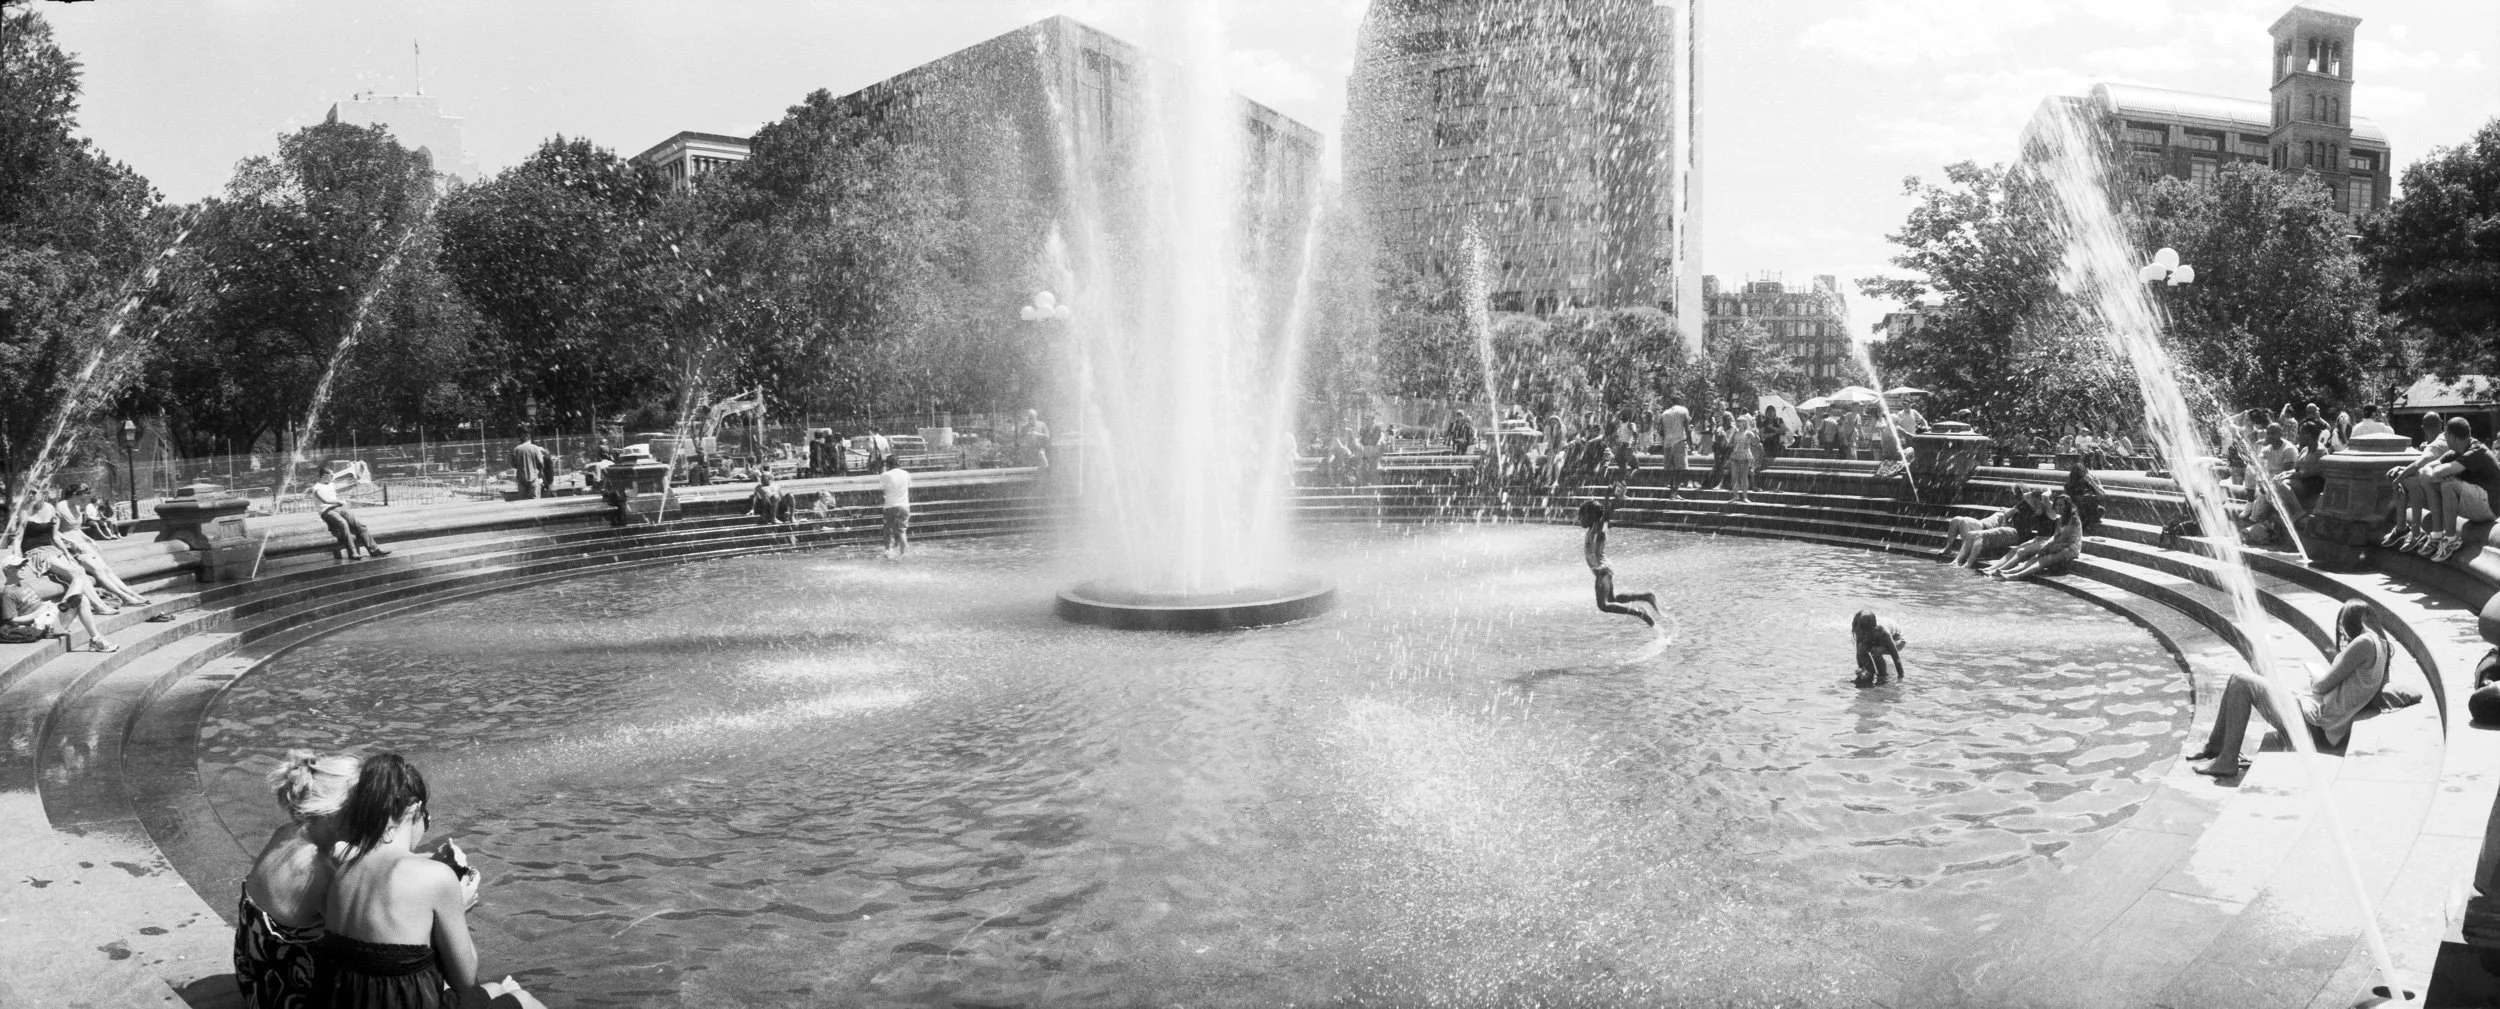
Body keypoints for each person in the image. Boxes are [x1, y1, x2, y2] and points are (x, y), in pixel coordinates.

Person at [318, 753, 489, 1008]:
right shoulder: (436, 877)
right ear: (415, 810)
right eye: (426, 818)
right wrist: (458, 909)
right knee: (518, 996)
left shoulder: (343, 871)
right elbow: (465, 981)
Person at [2192, 600, 2391, 777]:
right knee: (2238, 678)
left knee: (2241, 682)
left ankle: (2227, 761)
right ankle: (2216, 745)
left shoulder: (2364, 642)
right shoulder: (2381, 646)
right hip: (2314, 717)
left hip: (2313, 725)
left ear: (2352, 621)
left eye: (2344, 629)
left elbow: (2322, 686)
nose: (2345, 636)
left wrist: (2316, 677)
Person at [236, 750, 360, 1009]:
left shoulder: (287, 833)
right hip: (290, 999)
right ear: (332, 812)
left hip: (256, 984)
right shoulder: (318, 874)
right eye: (363, 808)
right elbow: (358, 942)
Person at [2418, 417, 2500, 562]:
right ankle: (2437, 535)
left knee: (2448, 484)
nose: (2444, 439)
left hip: (2491, 507)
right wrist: (2431, 474)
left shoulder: (2477, 450)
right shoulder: (2457, 450)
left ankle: (2451, 540)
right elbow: (2430, 467)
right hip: (2477, 502)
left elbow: (2442, 470)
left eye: (2446, 435)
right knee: (2437, 483)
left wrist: (2433, 474)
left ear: (2452, 436)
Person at [1577, 492, 1658, 628]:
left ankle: (1639, 613)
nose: (1580, 518)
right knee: (1612, 599)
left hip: (1601, 571)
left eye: (1583, 515)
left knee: (1603, 605)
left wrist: (1611, 501)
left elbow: (1605, 517)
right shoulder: (1593, 529)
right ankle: (1646, 596)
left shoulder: (1598, 530)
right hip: (1604, 570)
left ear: (1593, 517)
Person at [3, 552, 109, 650]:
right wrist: (35, 614)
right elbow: (12, 620)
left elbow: (37, 602)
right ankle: (96, 639)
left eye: (23, 565)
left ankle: (64, 605)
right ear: (8, 570)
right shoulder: (8, 593)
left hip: (48, 613)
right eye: (18, 567)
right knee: (82, 599)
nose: (23, 568)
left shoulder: (23, 584)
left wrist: (47, 606)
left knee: (78, 580)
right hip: (43, 624)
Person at [2382, 412, 2451, 553]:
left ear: (2423, 429)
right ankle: (2402, 529)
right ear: (2441, 425)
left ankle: (2415, 532)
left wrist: (2397, 479)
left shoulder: (2436, 444)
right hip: (2447, 486)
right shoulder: (2443, 439)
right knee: (2405, 478)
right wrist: (2401, 469)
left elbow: (2422, 462)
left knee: (2408, 480)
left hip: (2444, 493)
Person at [1987, 493, 2084, 579]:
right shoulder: (2061, 519)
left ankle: (2015, 576)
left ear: (2068, 506)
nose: (2059, 507)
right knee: (2037, 556)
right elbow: (2055, 536)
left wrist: (2047, 547)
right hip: (2060, 544)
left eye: (2061, 505)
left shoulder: (2074, 519)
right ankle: (2010, 571)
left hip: (2071, 548)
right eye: (2057, 505)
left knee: (2045, 559)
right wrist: (2046, 545)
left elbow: (2063, 538)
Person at [310, 465, 390, 560]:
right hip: (326, 511)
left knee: (360, 525)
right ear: (324, 476)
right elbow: (325, 500)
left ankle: (374, 550)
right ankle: (352, 553)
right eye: (331, 476)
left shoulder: (331, 484)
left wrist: (340, 503)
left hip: (338, 508)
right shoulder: (316, 488)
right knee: (343, 524)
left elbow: (333, 498)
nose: (332, 478)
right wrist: (338, 501)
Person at [1852, 609, 1908, 686]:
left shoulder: (1883, 631)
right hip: (1876, 636)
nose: (1862, 635)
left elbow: (1896, 657)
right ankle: (1871, 674)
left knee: (1876, 651)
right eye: (1861, 632)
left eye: (1865, 632)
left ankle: (1883, 676)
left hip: (1897, 640)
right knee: (1862, 649)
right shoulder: (1860, 630)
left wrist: (1900, 678)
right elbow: (1859, 654)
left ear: (1872, 628)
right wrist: (1862, 671)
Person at [1657, 402, 1693, 497]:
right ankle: (1675, 492)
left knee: (1670, 469)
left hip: (1668, 444)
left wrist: (1668, 436)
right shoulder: (1683, 411)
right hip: (1680, 442)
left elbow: (1659, 430)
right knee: (1680, 469)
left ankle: (1672, 490)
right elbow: (1687, 429)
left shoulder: (1664, 413)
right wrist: (1690, 443)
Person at [880, 458, 912, 560]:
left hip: (890, 505)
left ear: (887, 464)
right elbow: (909, 487)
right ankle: (903, 554)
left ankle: (887, 551)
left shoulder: (884, 475)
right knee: (902, 532)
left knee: (887, 530)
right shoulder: (905, 473)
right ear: (898, 463)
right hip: (904, 506)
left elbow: (883, 491)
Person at [507, 430, 551, 501]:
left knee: (522, 501)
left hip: (521, 479)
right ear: (530, 439)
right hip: (533, 477)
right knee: (534, 500)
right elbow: (540, 463)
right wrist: (539, 470)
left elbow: (513, 464)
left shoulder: (516, 449)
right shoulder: (535, 448)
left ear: (522, 440)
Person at [2065, 462, 2108, 532]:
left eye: (2082, 472)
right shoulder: (2071, 483)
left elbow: (2102, 494)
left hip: (2091, 508)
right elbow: (2068, 500)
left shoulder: (2093, 478)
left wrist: (2091, 482)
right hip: (2078, 509)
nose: (2081, 477)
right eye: (2078, 474)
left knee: (2100, 510)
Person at [1728, 414, 1761, 503]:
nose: (1738, 424)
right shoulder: (1735, 432)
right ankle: (1735, 495)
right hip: (1735, 455)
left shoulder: (1748, 432)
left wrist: (1755, 430)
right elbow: (1729, 443)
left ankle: (1745, 497)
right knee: (1734, 477)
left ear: (1744, 423)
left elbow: (1757, 442)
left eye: (1740, 422)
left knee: (1743, 477)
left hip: (1745, 455)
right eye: (1737, 422)